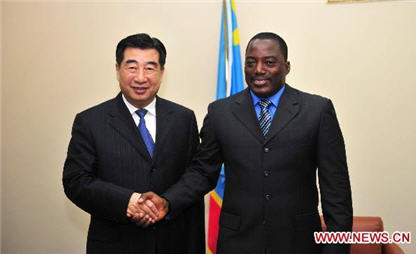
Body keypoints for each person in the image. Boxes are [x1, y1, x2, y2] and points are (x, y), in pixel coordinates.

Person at [136, 32, 353, 254]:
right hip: (238, 242)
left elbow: (336, 190)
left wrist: (336, 249)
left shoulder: (317, 111)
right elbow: (202, 172)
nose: (259, 70)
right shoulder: (221, 112)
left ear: (287, 67)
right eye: (251, 63)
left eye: (269, 62)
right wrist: (167, 201)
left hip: (298, 242)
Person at [62, 33, 205, 254]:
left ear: (162, 72)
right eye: (131, 67)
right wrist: (128, 201)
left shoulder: (183, 118)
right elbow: (76, 181)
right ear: (117, 69)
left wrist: (167, 202)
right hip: (116, 244)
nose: (140, 77)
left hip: (175, 242)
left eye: (150, 68)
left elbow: (196, 174)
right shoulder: (90, 121)